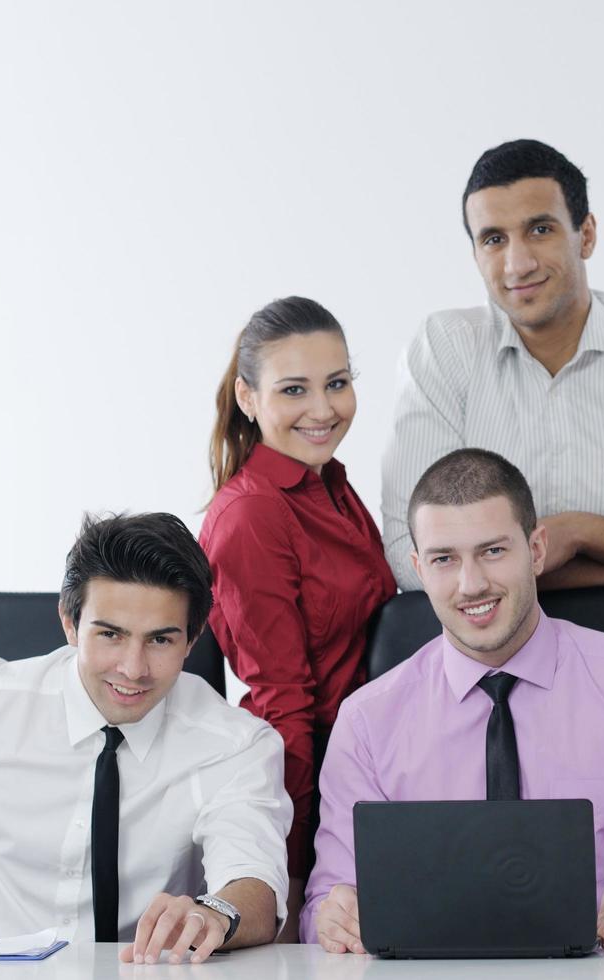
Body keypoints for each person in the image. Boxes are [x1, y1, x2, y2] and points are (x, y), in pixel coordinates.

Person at [307, 449, 604, 951]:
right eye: (444, 559)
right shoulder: (366, 720)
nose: (471, 584)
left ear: (536, 551)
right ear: (418, 569)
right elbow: (328, 898)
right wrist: (334, 919)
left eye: (493, 551)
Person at [0, 513, 291, 964]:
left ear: (192, 641)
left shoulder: (235, 744)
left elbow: (254, 887)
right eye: (110, 634)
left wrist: (214, 912)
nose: (133, 668)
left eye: (161, 640)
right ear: (70, 623)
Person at [380, 139, 604, 628]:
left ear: (586, 235)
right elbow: (411, 554)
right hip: (491, 672)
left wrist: (579, 531)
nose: (517, 263)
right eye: (493, 239)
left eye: (540, 229)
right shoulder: (445, 350)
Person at [200, 296, 396, 935]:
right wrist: (292, 869)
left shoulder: (332, 482)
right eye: (295, 390)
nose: (324, 409)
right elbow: (283, 700)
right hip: (310, 796)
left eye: (337, 383)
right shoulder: (253, 515)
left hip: (372, 774)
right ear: (249, 397)